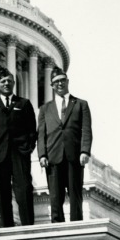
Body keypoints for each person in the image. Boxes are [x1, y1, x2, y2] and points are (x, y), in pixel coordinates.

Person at [0, 66, 36, 227]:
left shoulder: (24, 103)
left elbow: (32, 130)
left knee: (24, 190)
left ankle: (28, 226)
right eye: (3, 81)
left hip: (19, 153)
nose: (7, 84)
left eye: (10, 81)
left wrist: (28, 148)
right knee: (2, 193)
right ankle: (7, 227)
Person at [37, 67, 92, 223]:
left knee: (75, 197)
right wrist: (42, 154)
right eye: (56, 82)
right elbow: (41, 133)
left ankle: (76, 228)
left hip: (74, 156)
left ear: (67, 81)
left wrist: (85, 151)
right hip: (53, 157)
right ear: (52, 86)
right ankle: (57, 230)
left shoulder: (81, 104)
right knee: (55, 198)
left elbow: (86, 129)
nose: (59, 84)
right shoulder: (45, 109)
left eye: (62, 80)